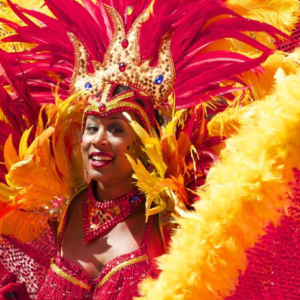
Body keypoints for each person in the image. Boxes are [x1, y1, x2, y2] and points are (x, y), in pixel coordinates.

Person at [0, 0, 299, 299]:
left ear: (145, 143)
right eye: (92, 128)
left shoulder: (172, 220)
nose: (98, 140)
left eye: (116, 129)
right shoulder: (64, 205)